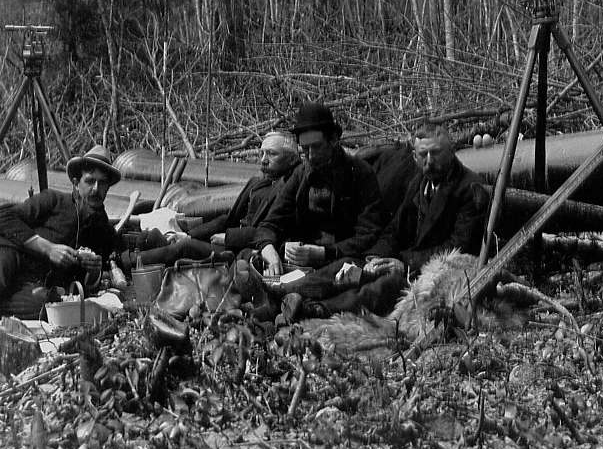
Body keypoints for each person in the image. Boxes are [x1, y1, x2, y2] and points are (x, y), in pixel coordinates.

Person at [279, 119, 490, 320]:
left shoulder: (468, 188)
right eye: (423, 155)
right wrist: (375, 256)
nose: (429, 161)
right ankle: (283, 293)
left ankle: (316, 310)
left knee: (387, 284)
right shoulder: (420, 181)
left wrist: (404, 262)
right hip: (406, 261)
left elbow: (458, 246)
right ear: (414, 157)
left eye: (436, 153)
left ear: (451, 152)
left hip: (438, 271)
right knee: (349, 265)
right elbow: (394, 229)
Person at [0, 145, 123, 337]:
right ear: (76, 182)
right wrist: (48, 248)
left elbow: (83, 286)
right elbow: (2, 218)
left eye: (102, 183)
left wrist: (93, 272)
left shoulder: (102, 229)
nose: (96, 189)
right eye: (90, 181)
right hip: (7, 252)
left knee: (46, 305)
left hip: (30, 283)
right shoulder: (54, 201)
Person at [253, 102, 387, 277]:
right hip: (300, 262)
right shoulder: (301, 173)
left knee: (342, 274)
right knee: (252, 258)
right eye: (305, 149)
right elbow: (270, 223)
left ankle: (288, 293)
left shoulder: (360, 173)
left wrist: (325, 253)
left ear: (333, 140)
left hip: (339, 259)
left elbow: (369, 234)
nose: (310, 155)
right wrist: (270, 253)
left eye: (316, 147)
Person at [136, 131, 300, 265]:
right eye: (262, 153)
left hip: (246, 251)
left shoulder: (292, 189)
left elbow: (273, 231)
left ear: (292, 158)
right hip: (231, 241)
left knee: (184, 247)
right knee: (166, 240)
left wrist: (229, 238)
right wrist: (190, 234)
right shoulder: (257, 182)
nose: (263, 160)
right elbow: (229, 218)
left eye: (272, 154)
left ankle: (126, 262)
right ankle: (141, 252)